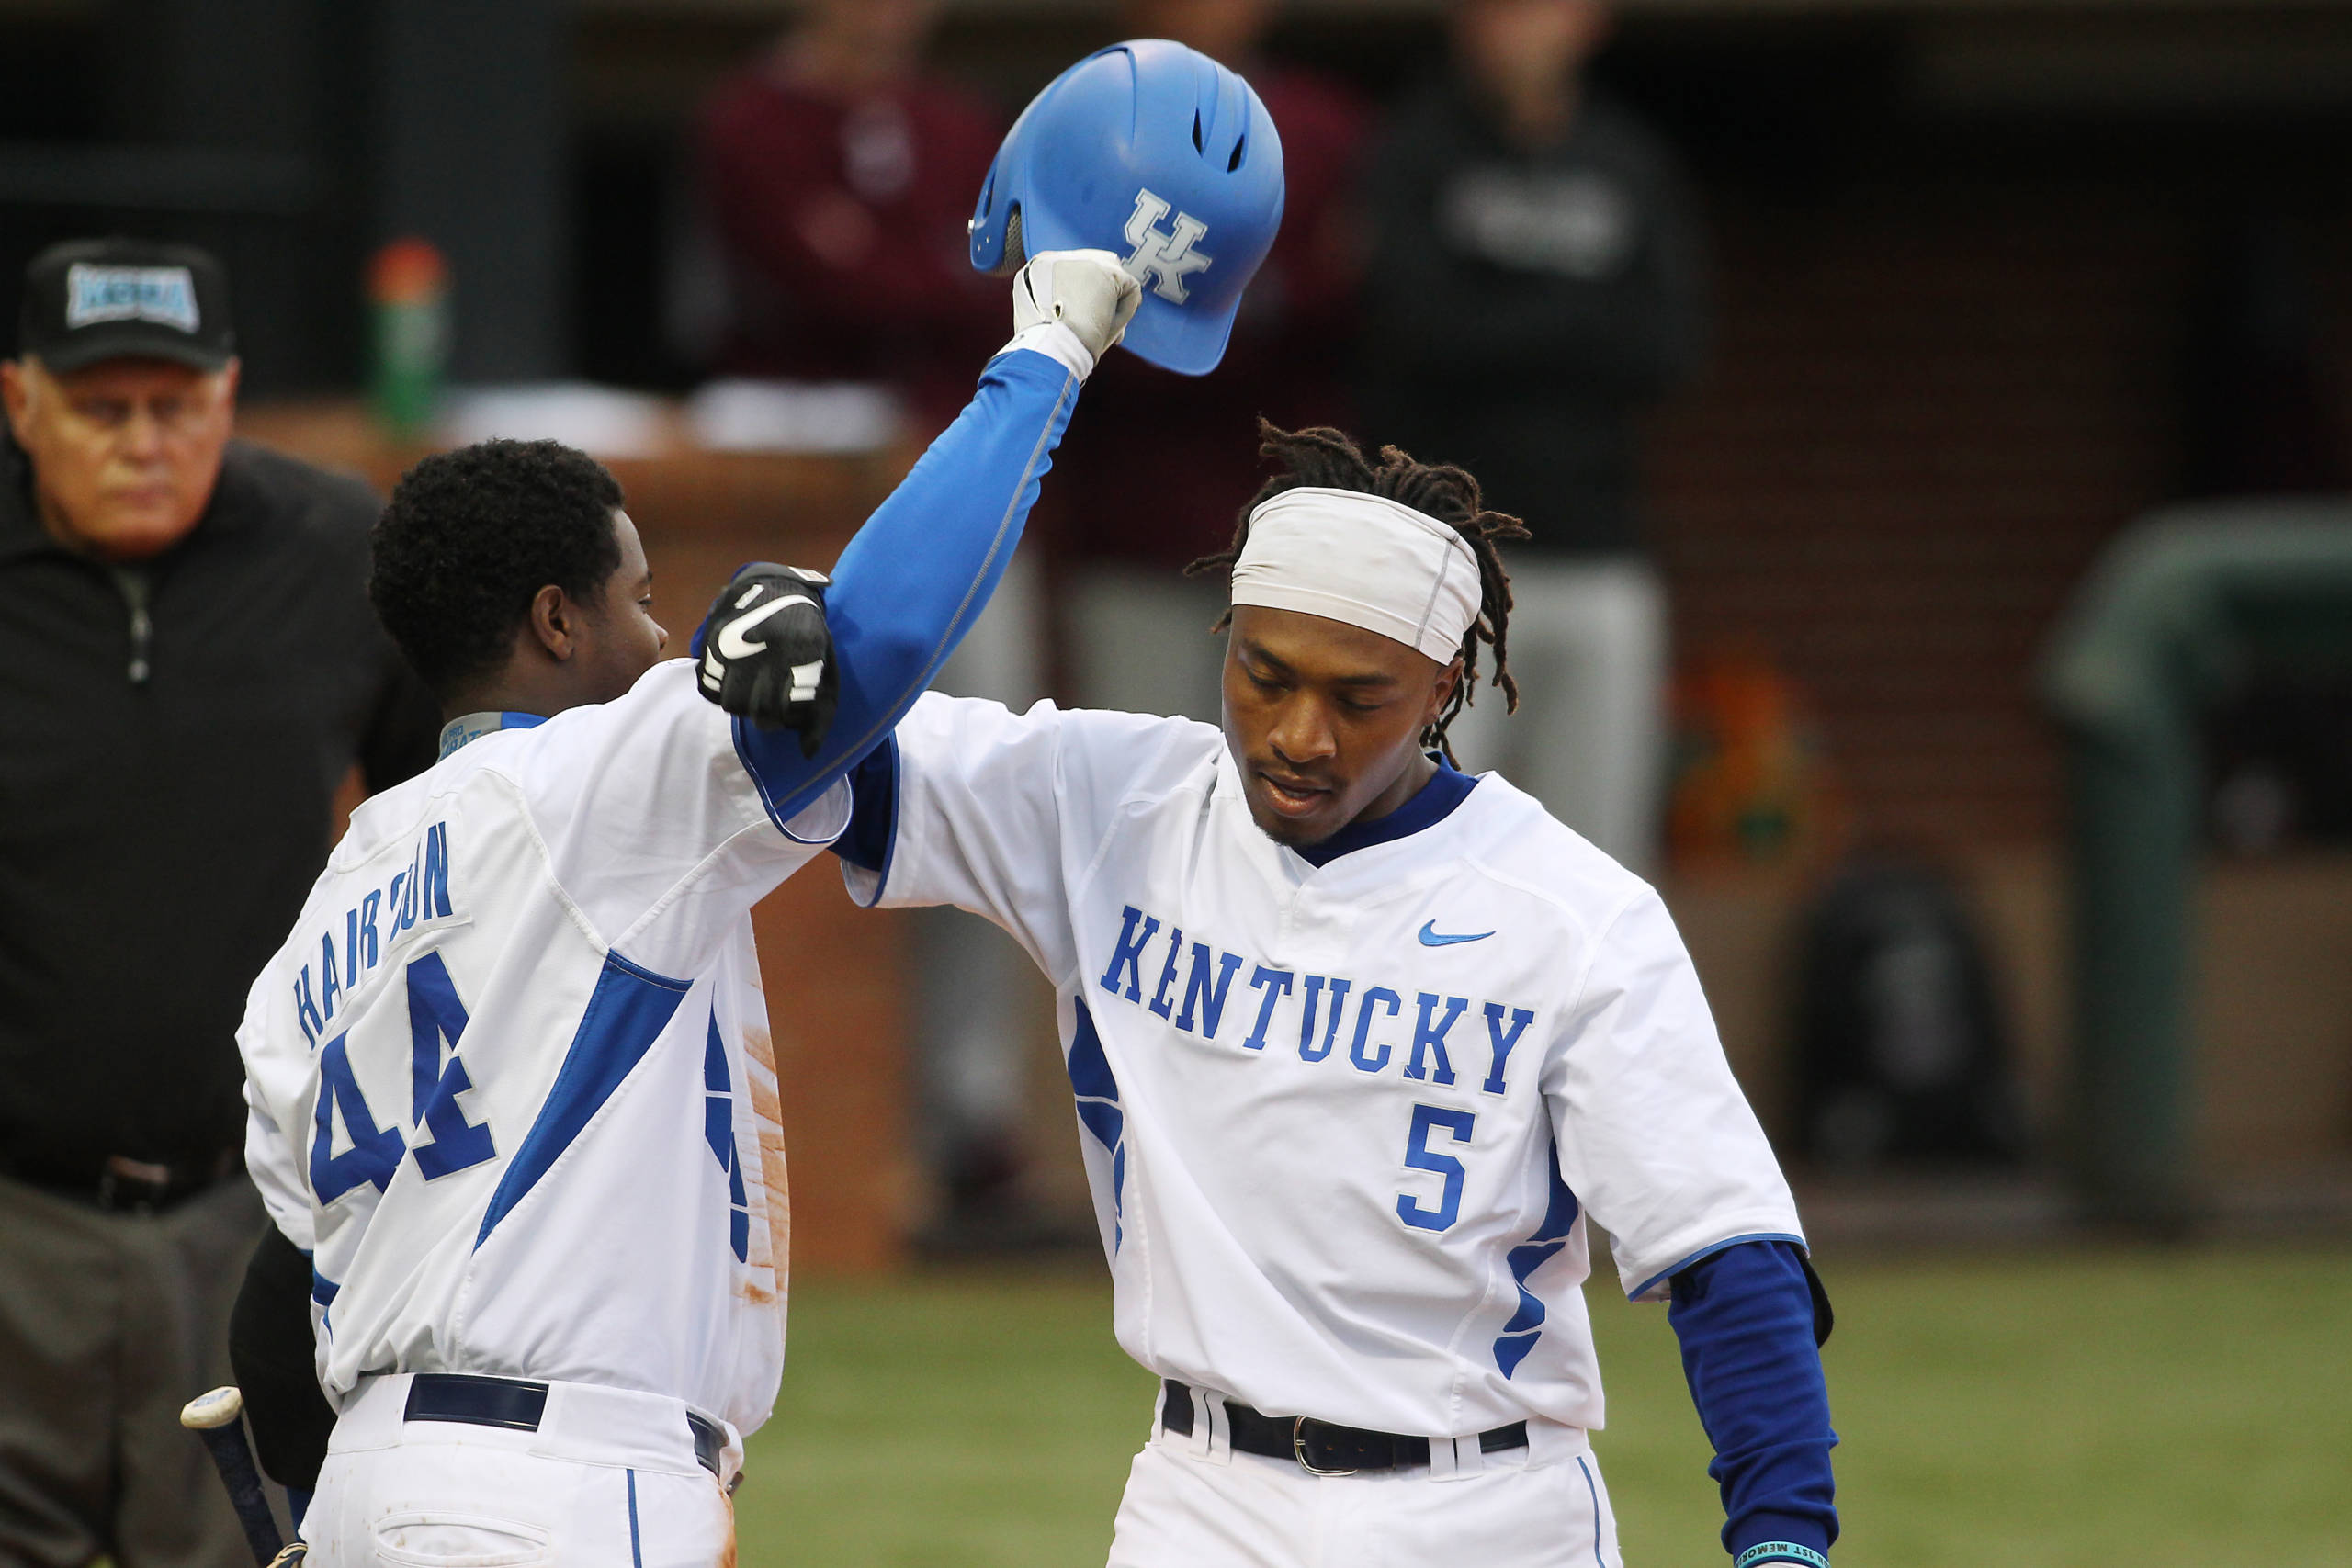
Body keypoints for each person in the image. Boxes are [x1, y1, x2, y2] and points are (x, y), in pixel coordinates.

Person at [226, 252, 1138, 1563]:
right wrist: (1044, 356)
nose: (660, 639)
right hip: (557, 1487)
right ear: (554, 620)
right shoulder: (592, 784)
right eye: (637, 599)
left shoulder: (329, 909)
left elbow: (279, 1301)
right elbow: (876, 642)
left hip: (379, 1477)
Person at [828, 423, 1838, 1568]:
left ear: (1445, 686)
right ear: (1227, 639)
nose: (1298, 736)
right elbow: (834, 759)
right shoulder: (1111, 804)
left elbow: (1724, 1250)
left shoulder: (1571, 912)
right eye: (1265, 677)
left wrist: (1783, 1543)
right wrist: (788, 630)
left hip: (1484, 1506)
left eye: (1360, 698)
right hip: (1199, 1499)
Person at [0, 238, 439, 1568]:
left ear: (231, 392)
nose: (144, 441)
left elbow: (464, 839)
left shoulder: (339, 552)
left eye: (175, 405)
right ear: (20, 401)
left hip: (250, 1212)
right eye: (102, 407)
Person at [1361, 0, 1710, 873]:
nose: (1514, 27)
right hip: (1444, 568)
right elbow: (1411, 331)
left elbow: (1670, 346)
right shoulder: (1414, 153)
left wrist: (1499, 315)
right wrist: (1580, 319)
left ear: (1588, 21)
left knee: (1598, 863)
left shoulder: (1629, 162)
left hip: (1602, 555)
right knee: (1419, 855)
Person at [1057, 0, 1371, 727]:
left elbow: (1360, 303)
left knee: (1285, 798)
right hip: (1135, 517)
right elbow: (1076, 311)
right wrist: (1257, 301)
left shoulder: (1324, 125)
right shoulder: (1097, 115)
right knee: (1133, 783)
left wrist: (1197, 304)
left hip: (1296, 522)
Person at [689, 0, 1004, 432]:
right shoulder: (751, 121)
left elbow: (1003, 282)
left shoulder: (962, 126)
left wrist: (878, 251)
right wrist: (942, 265)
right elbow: (829, 287)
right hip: (791, 420)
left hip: (949, 417)